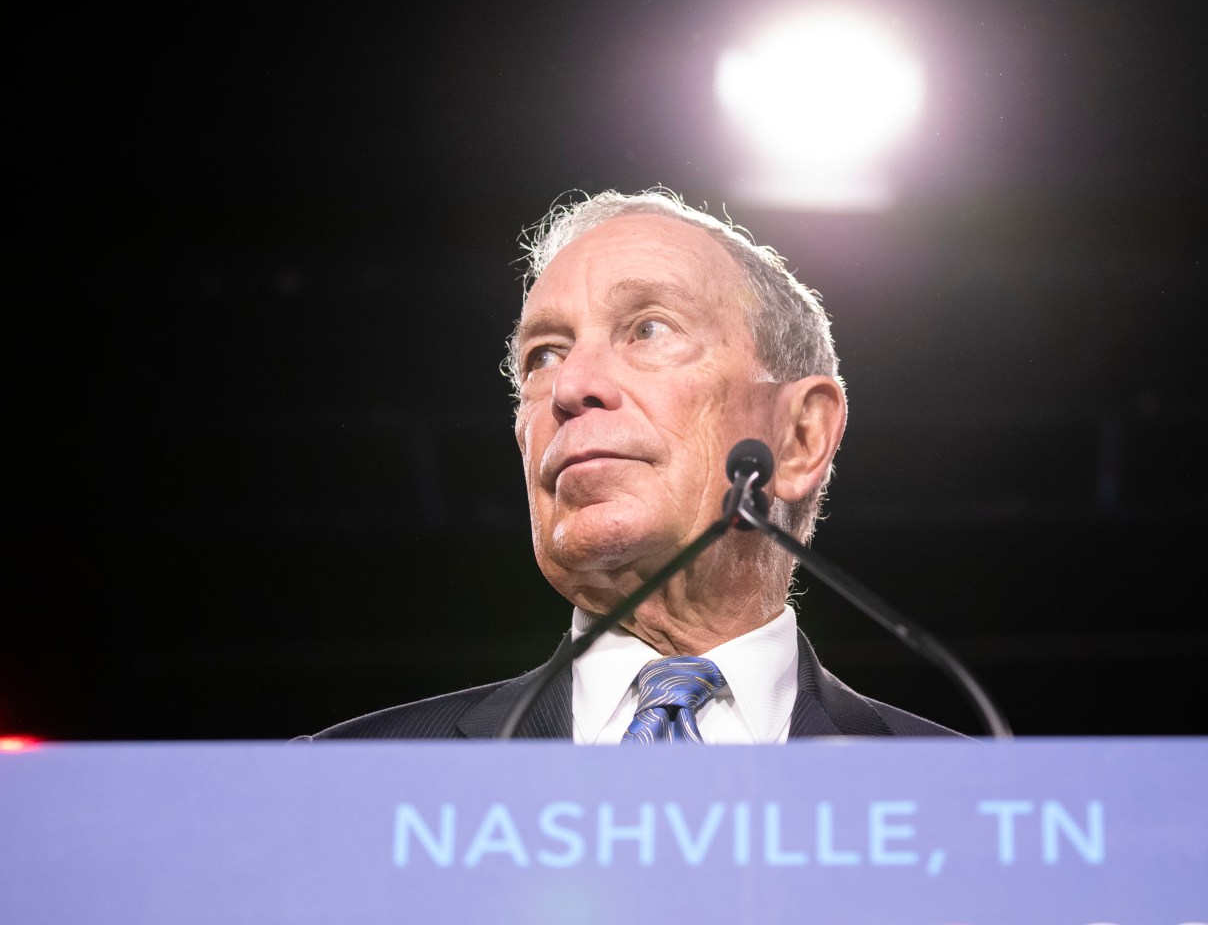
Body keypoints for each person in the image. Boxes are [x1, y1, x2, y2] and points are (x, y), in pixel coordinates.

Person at [300, 189, 957, 742]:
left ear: (799, 436)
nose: (570, 386)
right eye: (544, 355)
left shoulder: (971, 802)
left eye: (648, 328)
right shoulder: (341, 783)